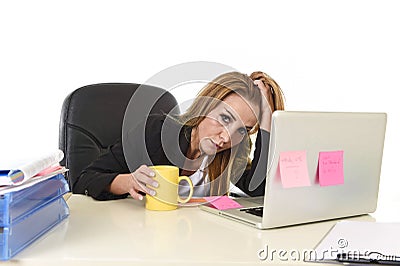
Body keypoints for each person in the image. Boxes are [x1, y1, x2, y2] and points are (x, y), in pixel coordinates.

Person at [73, 71, 285, 201]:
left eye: (243, 130)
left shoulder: (231, 152)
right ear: (205, 106)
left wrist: (267, 120)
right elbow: (84, 180)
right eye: (225, 118)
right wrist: (129, 181)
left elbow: (257, 188)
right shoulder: (156, 131)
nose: (227, 137)